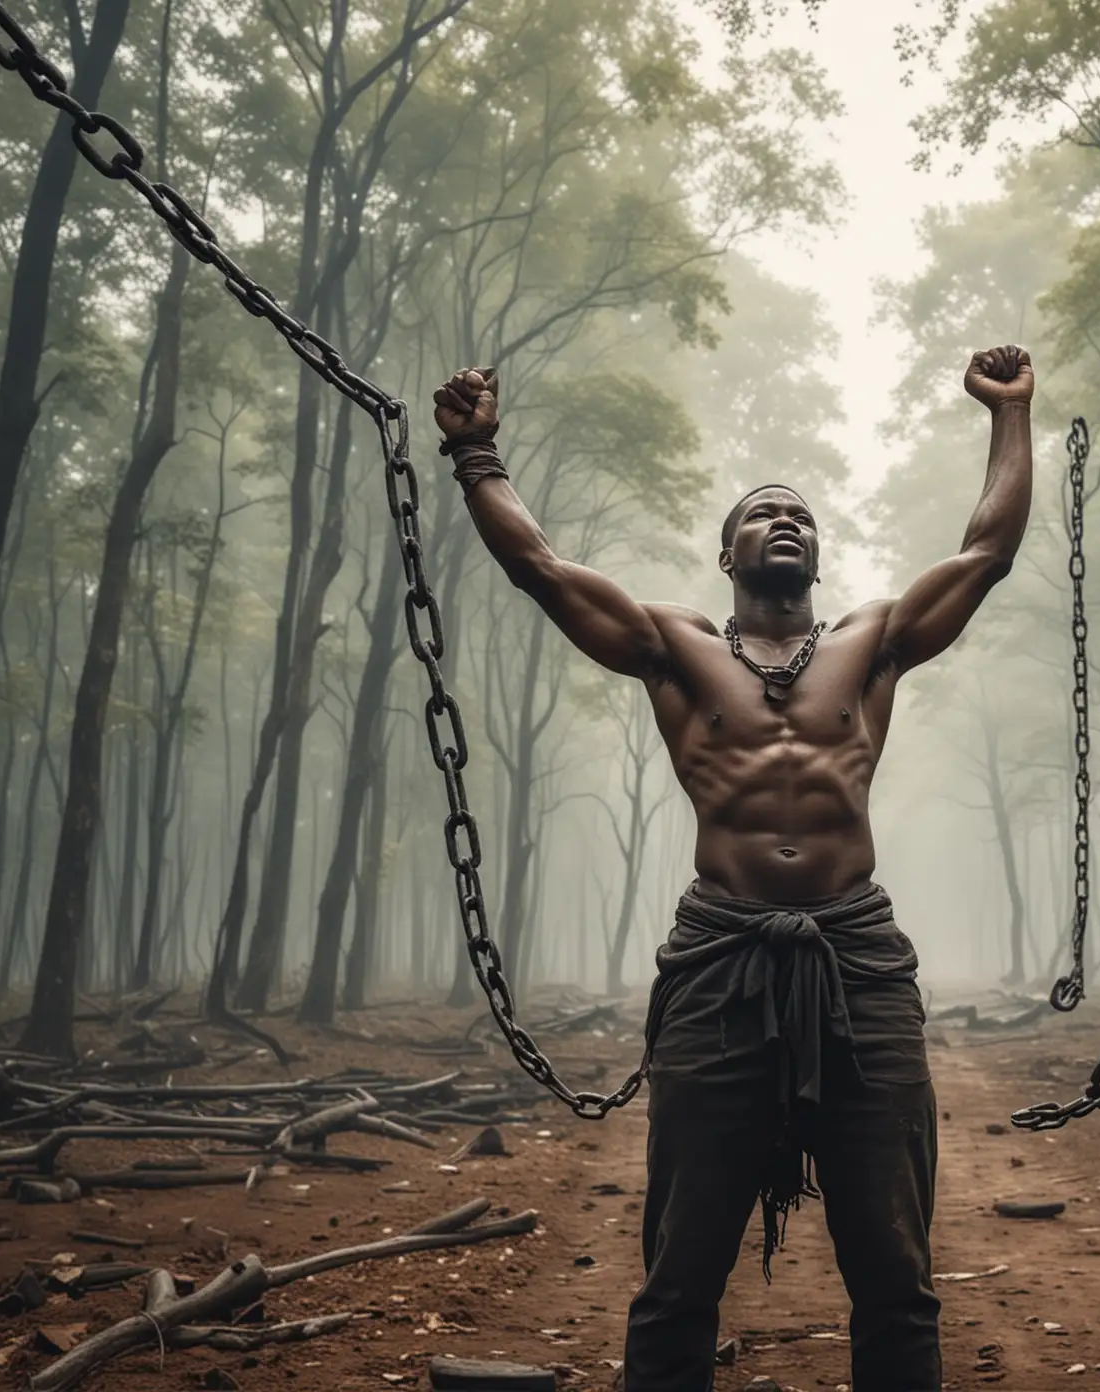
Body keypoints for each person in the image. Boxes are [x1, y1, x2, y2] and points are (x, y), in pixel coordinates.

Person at [431, 345, 1034, 1392]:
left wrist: (1012, 414)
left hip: (859, 957)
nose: (784, 518)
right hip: (720, 960)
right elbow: (541, 569)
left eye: (799, 511)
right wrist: (478, 453)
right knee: (682, 1272)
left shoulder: (874, 640)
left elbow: (985, 553)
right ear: (728, 556)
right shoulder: (674, 645)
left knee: (895, 1272)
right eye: (761, 511)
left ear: (818, 550)